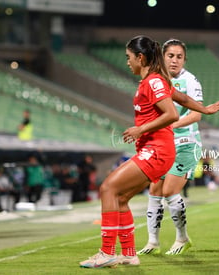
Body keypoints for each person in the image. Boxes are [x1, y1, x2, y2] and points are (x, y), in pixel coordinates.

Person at [79, 35, 179, 268]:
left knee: (107, 188)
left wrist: (140, 129)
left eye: (129, 57)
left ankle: (106, 252)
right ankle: (129, 254)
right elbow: (177, 99)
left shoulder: (152, 81)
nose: (127, 62)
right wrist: (202, 108)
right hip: (154, 149)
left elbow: (171, 114)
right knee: (120, 198)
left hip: (158, 149)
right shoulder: (150, 82)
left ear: (140, 57)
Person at [137, 38, 219, 256]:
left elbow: (196, 114)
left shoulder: (190, 81)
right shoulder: (156, 80)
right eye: (170, 56)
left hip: (186, 144)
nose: (174, 61)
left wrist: (170, 123)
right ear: (163, 57)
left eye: (179, 57)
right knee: (154, 191)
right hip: (163, 145)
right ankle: (153, 242)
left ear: (185, 60)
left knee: (169, 191)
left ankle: (182, 238)